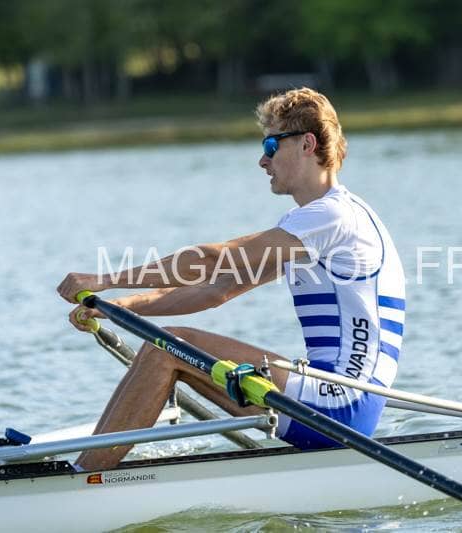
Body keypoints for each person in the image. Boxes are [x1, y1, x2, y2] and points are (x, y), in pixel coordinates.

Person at [57, 88, 405, 471]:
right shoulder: (314, 225)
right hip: (335, 400)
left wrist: (105, 279)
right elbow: (216, 289)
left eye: (271, 145)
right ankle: (86, 471)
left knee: (167, 348)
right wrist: (116, 307)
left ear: (308, 144)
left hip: (341, 404)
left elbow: (213, 259)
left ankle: (83, 478)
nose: (263, 160)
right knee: (167, 350)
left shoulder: (333, 216)